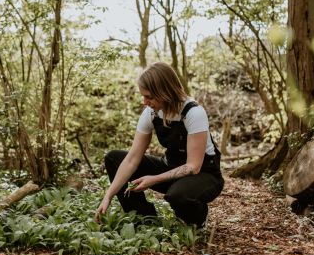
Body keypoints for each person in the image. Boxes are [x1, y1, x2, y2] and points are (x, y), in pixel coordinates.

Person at [95, 62, 224, 227]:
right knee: (114, 158)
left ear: (164, 92)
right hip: (171, 168)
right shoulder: (150, 113)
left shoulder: (193, 112)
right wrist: (108, 196)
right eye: (143, 96)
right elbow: (132, 159)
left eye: (149, 97)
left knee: (176, 196)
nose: (145, 102)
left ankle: (198, 219)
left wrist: (154, 179)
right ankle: (145, 220)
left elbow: (193, 167)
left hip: (203, 175)